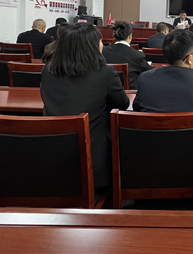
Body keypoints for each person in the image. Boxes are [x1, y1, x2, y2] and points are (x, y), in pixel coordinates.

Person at [41, 23, 129, 190]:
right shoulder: (106, 73)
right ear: (92, 45)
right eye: (100, 40)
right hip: (93, 164)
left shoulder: (48, 71)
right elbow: (122, 104)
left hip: (53, 157)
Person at [134, 30, 193, 117]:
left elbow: (137, 107)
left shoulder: (145, 79)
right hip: (192, 130)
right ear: (189, 59)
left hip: (154, 129)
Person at [102, 21, 153, 90]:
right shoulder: (137, 55)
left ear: (114, 36)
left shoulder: (103, 52)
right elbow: (150, 72)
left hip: (107, 92)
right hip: (130, 93)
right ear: (130, 36)